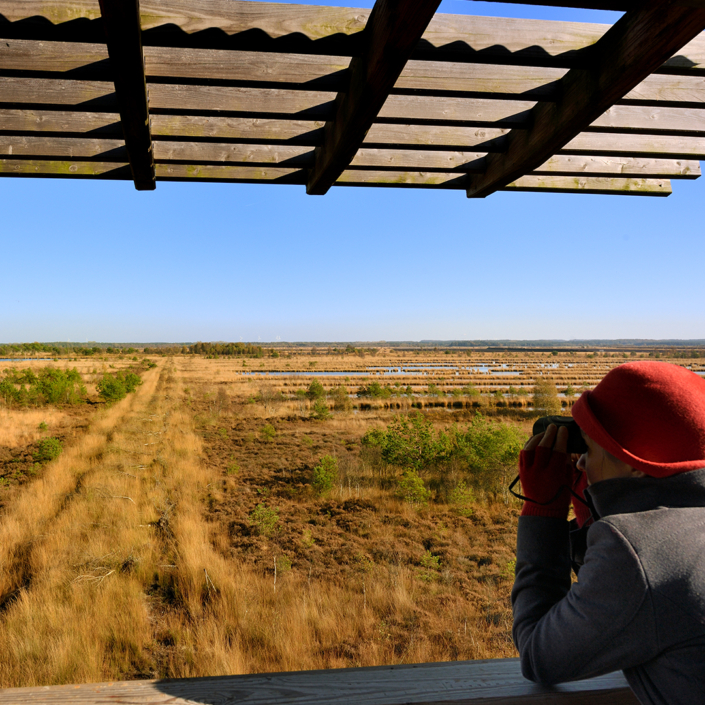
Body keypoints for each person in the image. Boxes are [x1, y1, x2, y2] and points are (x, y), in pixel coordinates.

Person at [512, 361, 705, 705]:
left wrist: (544, 508)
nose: (581, 462)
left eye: (588, 446)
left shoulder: (638, 553)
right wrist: (594, 503)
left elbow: (539, 654)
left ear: (634, 463)